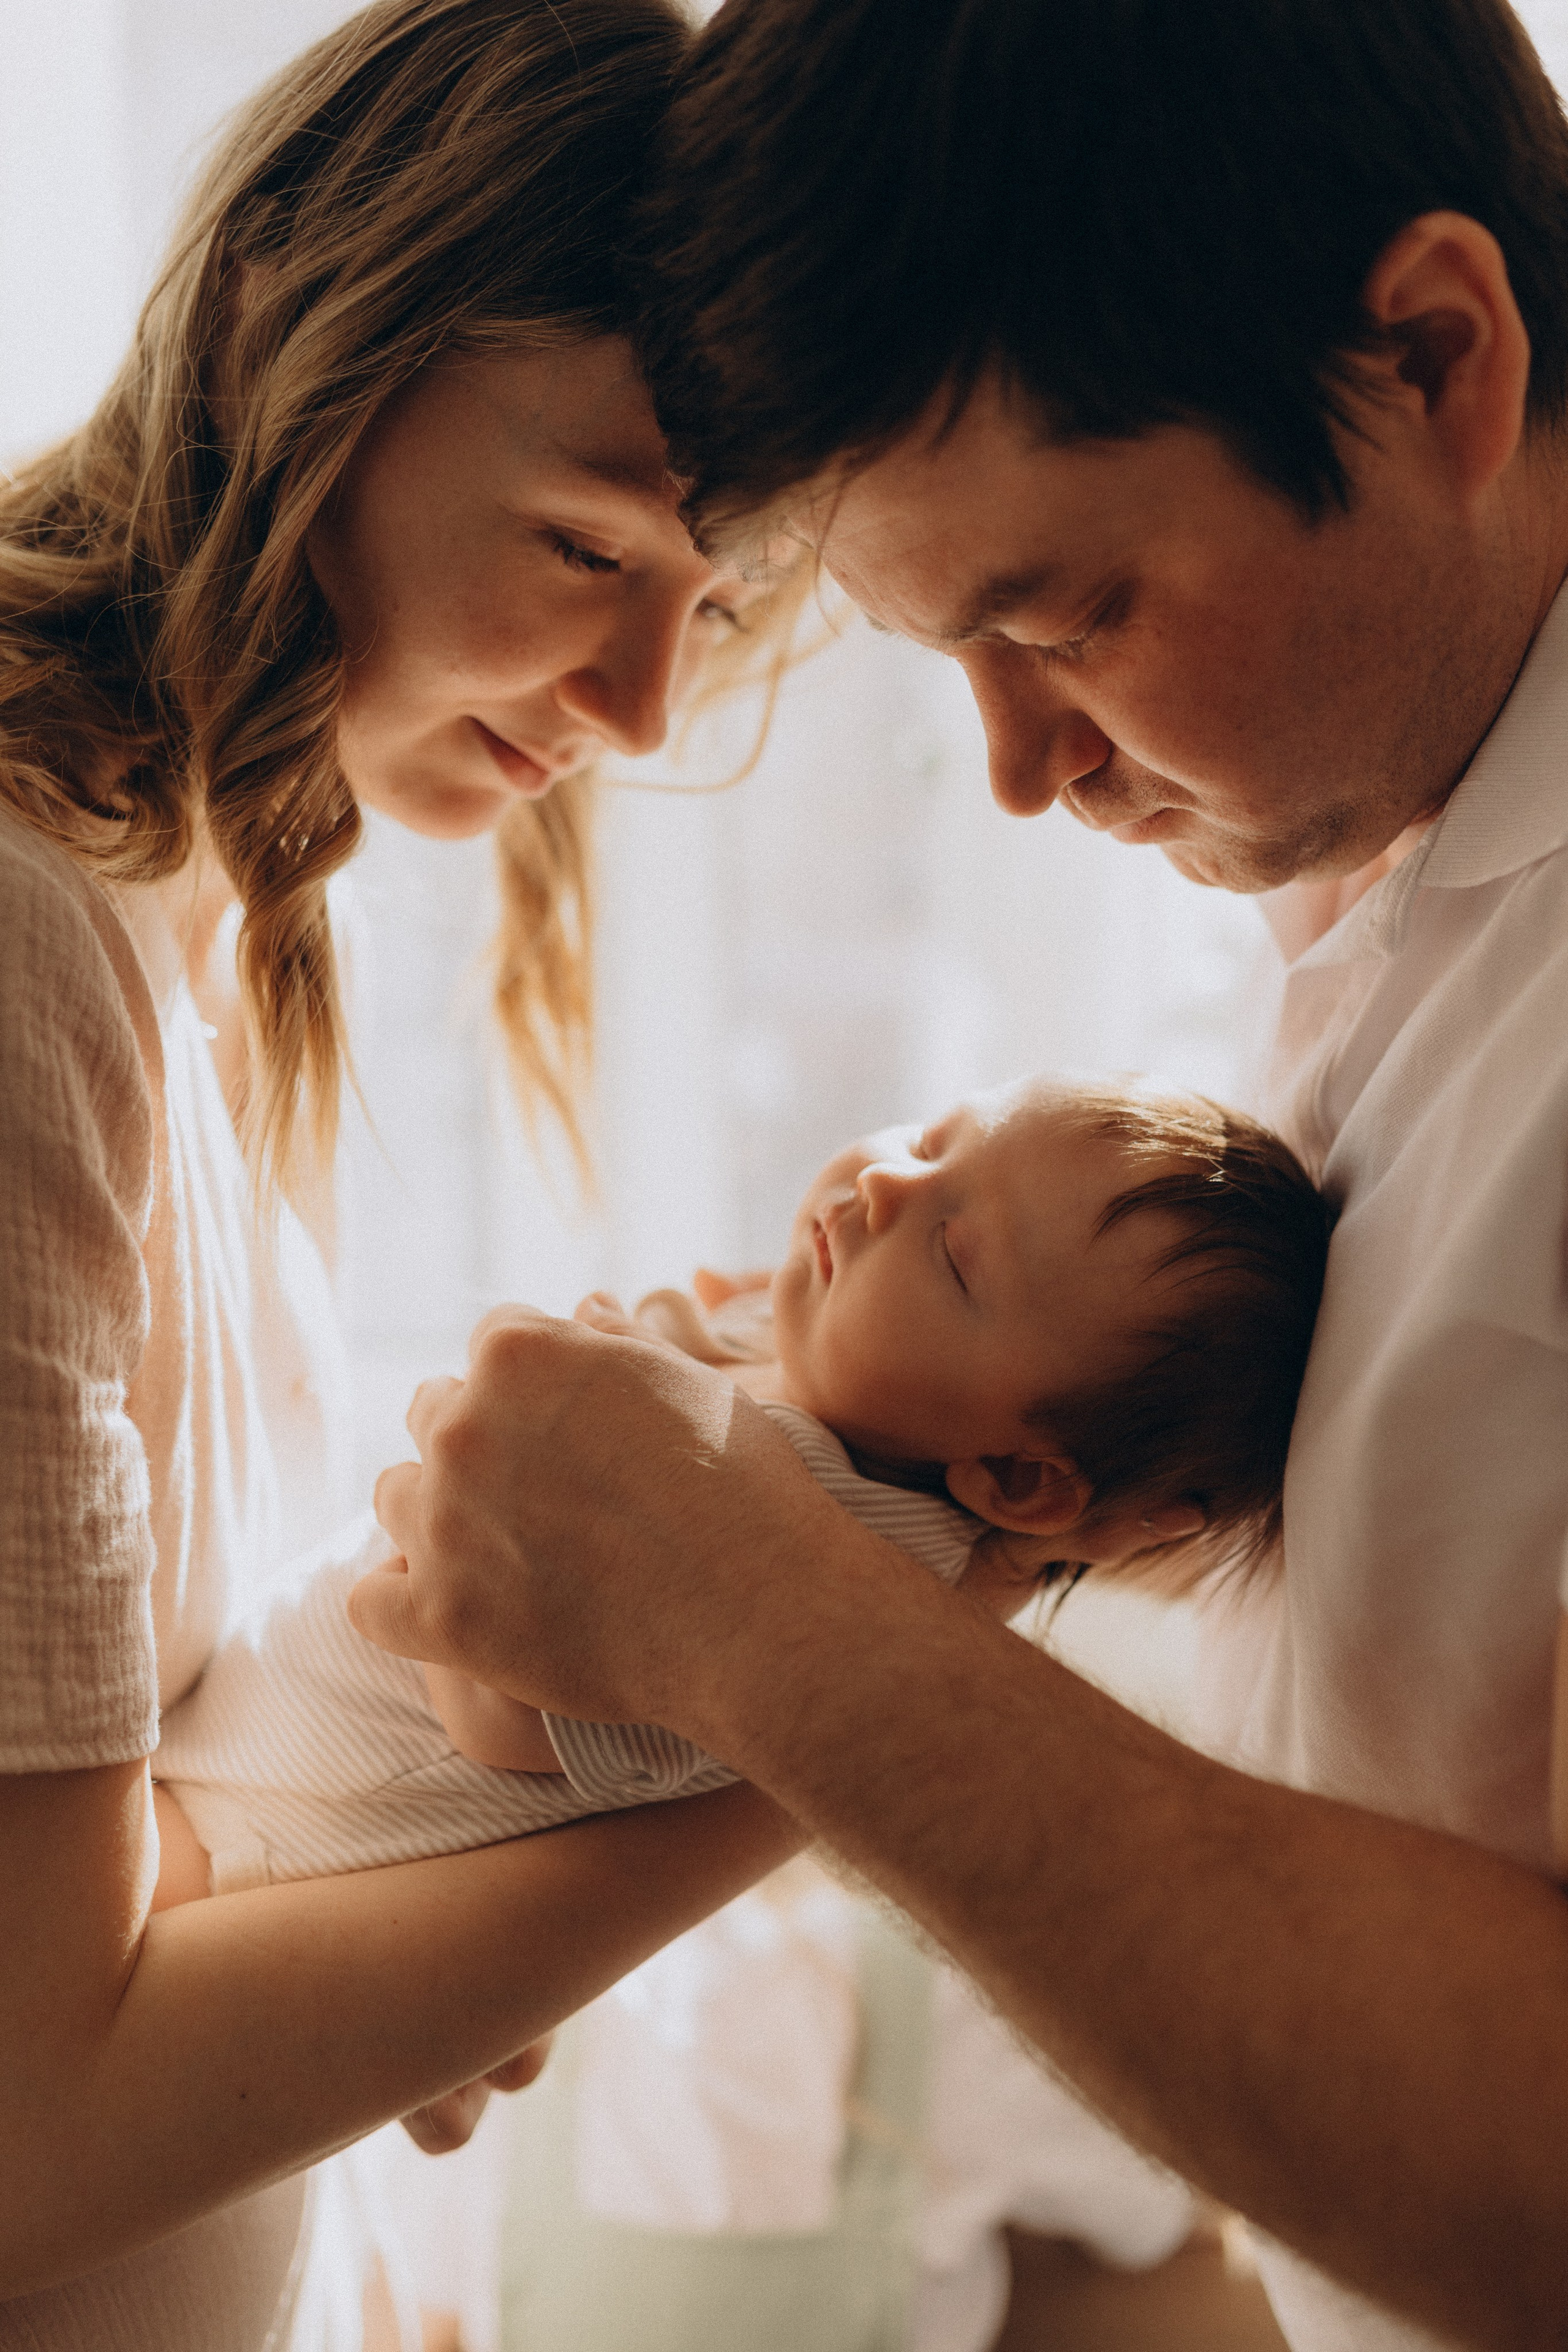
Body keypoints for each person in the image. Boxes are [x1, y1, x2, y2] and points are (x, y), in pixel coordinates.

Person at [350, 2, 1568, 2348]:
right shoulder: (1393, 841)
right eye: (961, 660)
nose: (1018, 773)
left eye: (1071, 616)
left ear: (1433, 358)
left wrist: (743, 1611)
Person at [0, 3, 812, 2345]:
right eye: (587, 545)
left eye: (718, 600)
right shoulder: (27, 939)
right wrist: (840, 1730)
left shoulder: (226, 907)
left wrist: (403, 1927)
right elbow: (32, 2117)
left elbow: (146, 1823)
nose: (649, 712)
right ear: (289, 331)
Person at [150, 1077, 1327, 1891]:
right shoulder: (817, 1400)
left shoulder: (843, 1555)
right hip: (274, 1727)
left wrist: (467, 1541)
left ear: (1020, 1477)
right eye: (937, 1137)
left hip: (282, 1824)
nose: (886, 1187)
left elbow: (515, 1730)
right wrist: (676, 1342)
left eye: (956, 1255)